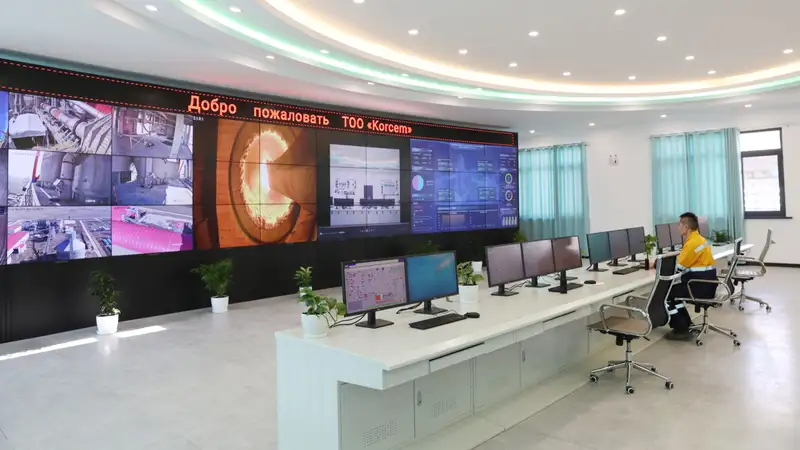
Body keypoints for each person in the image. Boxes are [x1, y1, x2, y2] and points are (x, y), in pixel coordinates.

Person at [665, 212, 719, 341]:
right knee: (675, 294)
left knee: (666, 295)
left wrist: (656, 264)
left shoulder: (691, 244)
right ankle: (686, 324)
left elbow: (678, 267)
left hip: (698, 286)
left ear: (686, 227)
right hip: (708, 284)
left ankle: (681, 329)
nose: (678, 227)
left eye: (679, 224)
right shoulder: (699, 239)